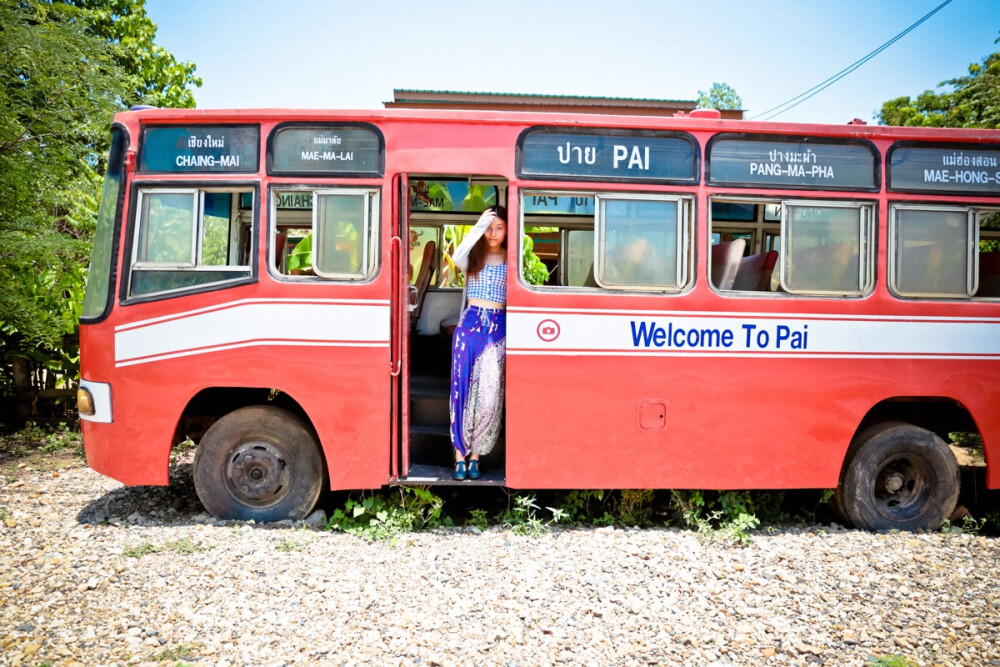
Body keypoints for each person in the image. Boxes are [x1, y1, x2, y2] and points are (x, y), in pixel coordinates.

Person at [448, 206, 507, 480]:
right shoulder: (473, 256)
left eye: (499, 227)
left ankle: (476, 455)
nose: (493, 233)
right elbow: (456, 256)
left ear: (507, 230)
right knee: (460, 392)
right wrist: (479, 224)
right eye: (489, 228)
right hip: (470, 325)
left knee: (487, 397)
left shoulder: (511, 259)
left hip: (496, 330)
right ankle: (460, 456)